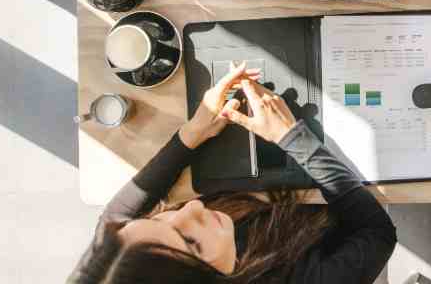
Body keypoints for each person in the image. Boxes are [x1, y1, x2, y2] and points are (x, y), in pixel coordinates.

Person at [68, 62, 395, 284]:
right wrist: (293, 140)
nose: (193, 208)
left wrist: (192, 134)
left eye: (157, 219)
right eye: (192, 243)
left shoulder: (106, 273)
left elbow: (114, 220)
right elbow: (378, 233)